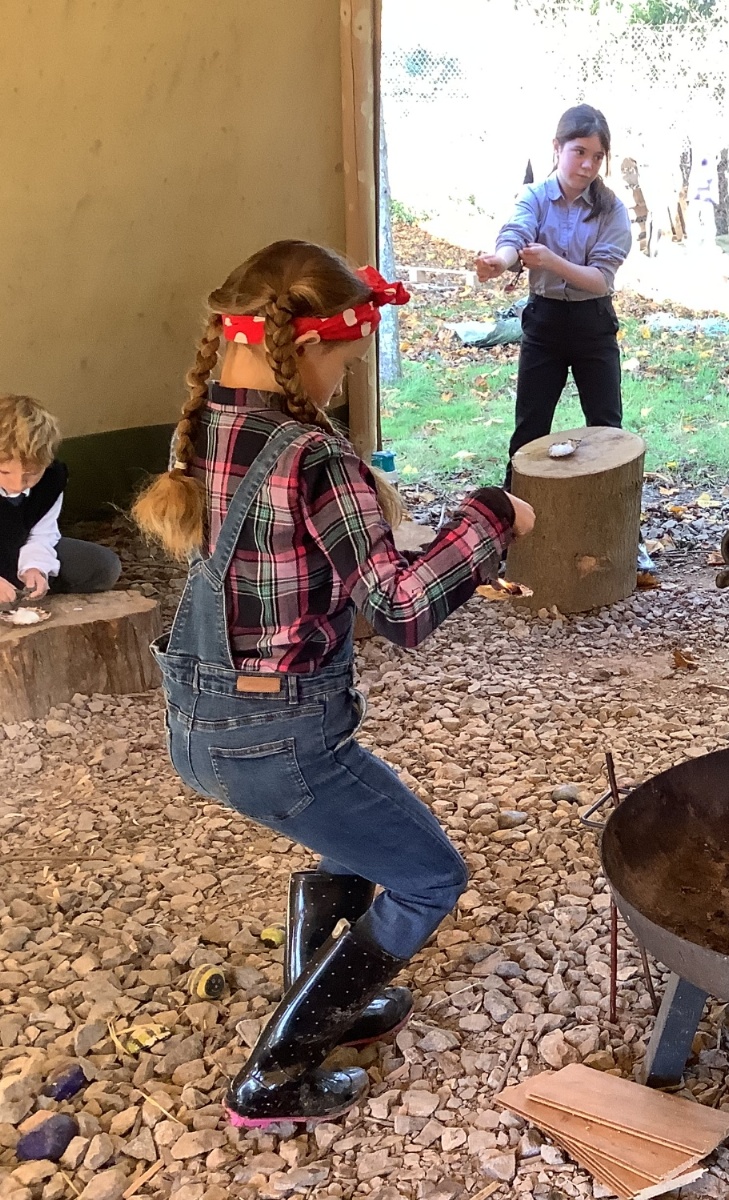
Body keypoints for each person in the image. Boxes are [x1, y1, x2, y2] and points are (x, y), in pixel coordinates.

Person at [132, 240, 536, 1128]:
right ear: (308, 346)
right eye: (346, 365)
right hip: (280, 740)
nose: (342, 382)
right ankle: (277, 1073)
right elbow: (400, 608)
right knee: (430, 878)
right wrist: (491, 520)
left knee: (357, 841)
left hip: (200, 721)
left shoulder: (206, 425)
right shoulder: (314, 455)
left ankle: (332, 998)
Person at [476, 105, 633, 479]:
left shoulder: (611, 208)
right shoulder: (535, 196)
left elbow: (601, 280)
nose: (588, 165)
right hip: (544, 322)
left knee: (607, 429)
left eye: (597, 156)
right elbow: (516, 234)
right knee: (529, 431)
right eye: (579, 152)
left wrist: (551, 261)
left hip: (593, 323)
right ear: (557, 147)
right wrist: (499, 261)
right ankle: (516, 510)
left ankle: (610, 511)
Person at [0, 394, 121, 602]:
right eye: (4, 472)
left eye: (31, 474)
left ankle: (24, 590)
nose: (18, 485)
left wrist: (35, 568)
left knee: (103, 566)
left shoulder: (51, 480)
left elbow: (42, 534)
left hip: (14, 553)